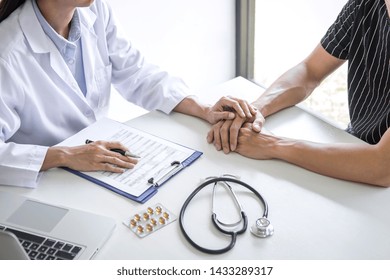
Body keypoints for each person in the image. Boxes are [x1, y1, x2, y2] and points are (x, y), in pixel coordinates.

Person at [0, 0, 256, 188]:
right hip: (43, 182)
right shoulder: (7, 52)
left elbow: (137, 73)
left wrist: (204, 108)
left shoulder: (96, 11)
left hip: (98, 168)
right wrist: (66, 155)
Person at [207, 0, 390, 187]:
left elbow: (382, 167)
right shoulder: (364, 5)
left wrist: (270, 144)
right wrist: (255, 111)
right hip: (354, 147)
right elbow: (310, 71)